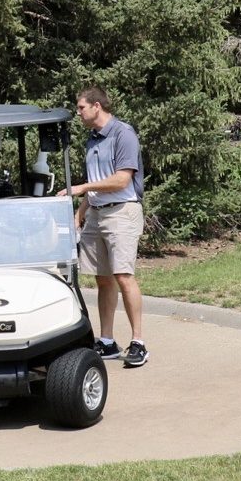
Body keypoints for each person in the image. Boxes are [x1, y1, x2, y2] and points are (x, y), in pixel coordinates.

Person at [68, 85, 148, 368]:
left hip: (122, 212)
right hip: (97, 214)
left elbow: (121, 180)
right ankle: (107, 341)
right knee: (102, 279)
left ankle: (138, 342)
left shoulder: (123, 134)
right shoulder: (91, 139)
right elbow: (96, 182)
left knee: (123, 275)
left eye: (81, 107)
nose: (78, 112)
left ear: (97, 106)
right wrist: (81, 213)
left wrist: (82, 187)